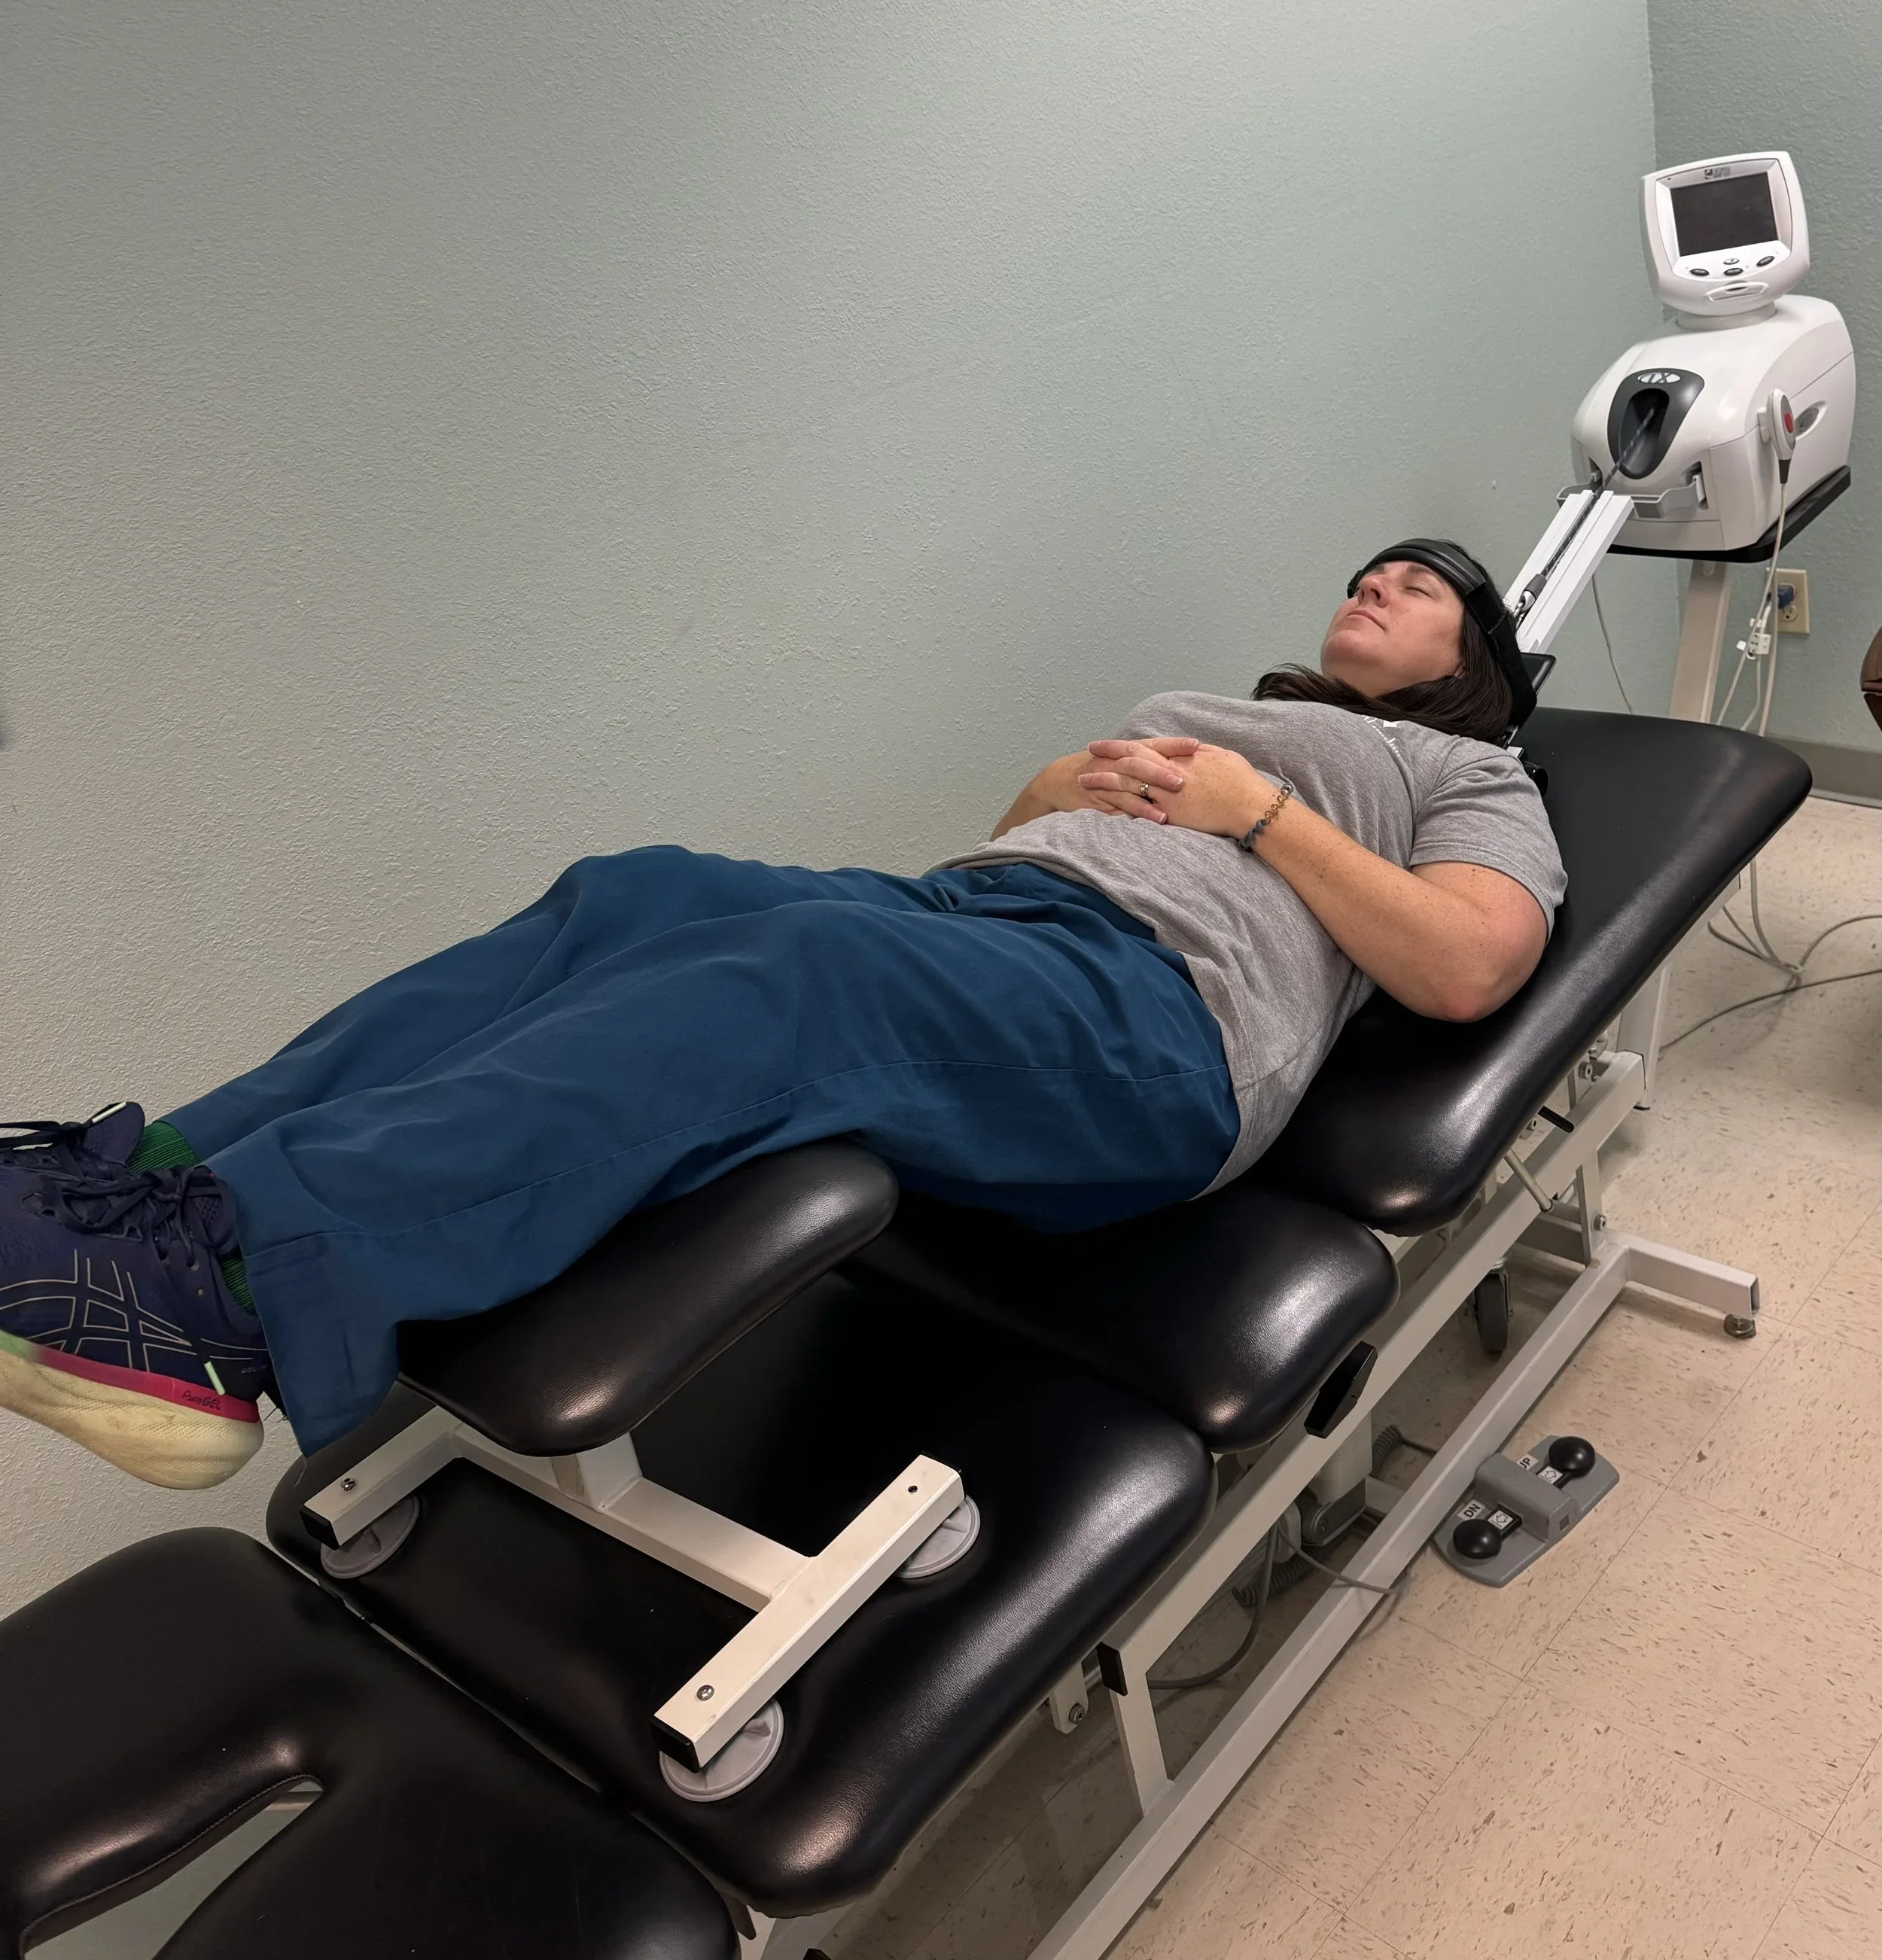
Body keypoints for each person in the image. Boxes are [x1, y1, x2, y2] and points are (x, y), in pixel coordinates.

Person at [1, 540, 1565, 1490]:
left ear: (1474, 673)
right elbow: (1022, 818)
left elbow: (1464, 964)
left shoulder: (1464, 775)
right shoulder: (1220, 711)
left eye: (1417, 585)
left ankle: (231, 1296)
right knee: (633, 892)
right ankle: (138, 1194)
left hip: (1161, 1024)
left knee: (804, 984)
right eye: (1365, 568)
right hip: (981, 912)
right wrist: (1103, 787)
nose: (1375, 580)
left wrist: (1249, 816)